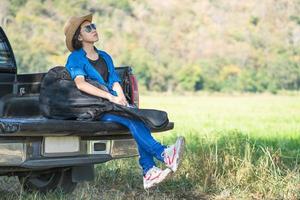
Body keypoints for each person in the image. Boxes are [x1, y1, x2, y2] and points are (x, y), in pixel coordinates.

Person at [63, 13, 185, 189]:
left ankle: (150, 170)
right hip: (95, 108)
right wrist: (110, 97)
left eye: (94, 26)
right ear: (79, 36)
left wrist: (122, 99)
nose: (94, 30)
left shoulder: (105, 56)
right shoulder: (75, 58)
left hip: (112, 104)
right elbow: (80, 84)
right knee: (131, 119)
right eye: (88, 28)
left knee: (136, 117)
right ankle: (162, 155)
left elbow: (114, 80)